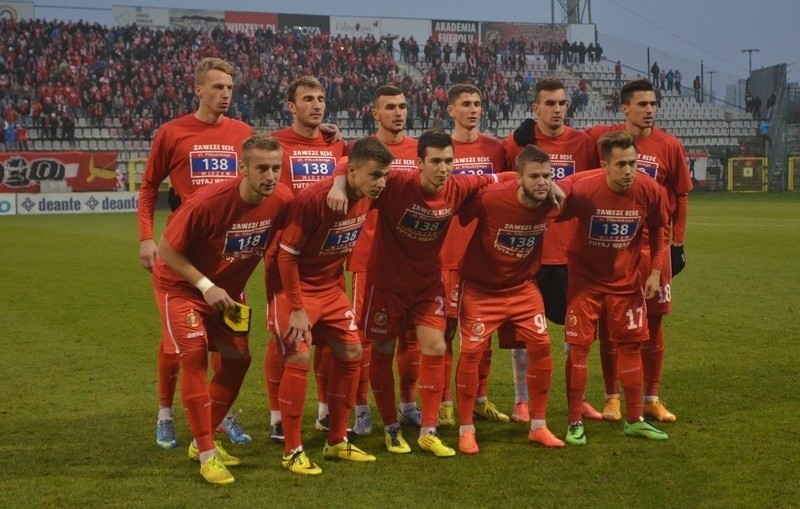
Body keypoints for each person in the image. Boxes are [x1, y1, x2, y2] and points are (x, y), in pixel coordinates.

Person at [328, 129, 514, 457]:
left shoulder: (458, 187)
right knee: (382, 348)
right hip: (386, 285)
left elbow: (501, 177)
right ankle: (390, 426)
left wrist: (542, 183)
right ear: (419, 163)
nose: (444, 168)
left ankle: (428, 429)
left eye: (449, 161)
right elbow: (347, 162)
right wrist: (338, 185)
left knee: (435, 345)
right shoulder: (396, 185)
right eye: (436, 161)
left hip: (427, 286)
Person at [152, 133, 292, 484]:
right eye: (262, 168)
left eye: (276, 168)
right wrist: (205, 285)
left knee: (237, 360)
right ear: (242, 167)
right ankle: (207, 452)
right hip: (182, 287)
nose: (271, 176)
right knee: (195, 356)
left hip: (228, 293)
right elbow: (165, 251)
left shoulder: (282, 200)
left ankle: (204, 437)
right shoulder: (208, 202)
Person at [138, 57, 256, 451]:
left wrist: (329, 140)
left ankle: (221, 415)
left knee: (231, 344)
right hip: (184, 251)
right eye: (217, 87)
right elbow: (150, 186)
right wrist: (145, 237)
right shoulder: (172, 133)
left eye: (229, 88)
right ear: (198, 89)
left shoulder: (243, 132)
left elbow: (270, 165)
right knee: (181, 346)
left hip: (231, 258)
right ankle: (166, 414)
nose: (225, 94)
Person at [268, 137, 394, 475]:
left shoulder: (368, 191)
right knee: (298, 357)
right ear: (352, 172)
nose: (381, 183)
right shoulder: (312, 200)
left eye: (384, 176)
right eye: (375, 176)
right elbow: (286, 256)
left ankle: (336, 440)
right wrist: (295, 307)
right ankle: (292, 449)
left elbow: (349, 158)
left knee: (353, 354)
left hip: (330, 289)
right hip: (294, 288)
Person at [586, 79, 692, 424]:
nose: (649, 110)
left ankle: (651, 397)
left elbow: (681, 195)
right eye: (642, 104)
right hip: (614, 247)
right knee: (610, 323)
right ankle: (612, 397)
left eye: (653, 104)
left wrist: (678, 245)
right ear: (625, 109)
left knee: (655, 321)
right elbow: (571, 141)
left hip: (654, 248)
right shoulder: (607, 139)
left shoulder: (669, 145)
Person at [558, 131, 669, 445]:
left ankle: (634, 420)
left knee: (631, 347)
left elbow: (660, 232)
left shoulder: (650, 190)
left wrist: (655, 272)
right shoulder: (583, 191)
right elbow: (550, 212)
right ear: (604, 165)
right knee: (579, 349)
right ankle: (574, 422)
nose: (629, 171)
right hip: (585, 281)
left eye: (632, 163)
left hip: (626, 282)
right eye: (621, 164)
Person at [455, 144, 567, 454]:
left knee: (542, 346)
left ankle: (538, 425)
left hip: (522, 287)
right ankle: (466, 429)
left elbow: (590, 180)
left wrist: (558, 185)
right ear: (518, 178)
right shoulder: (492, 198)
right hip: (480, 288)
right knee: (471, 354)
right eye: (534, 176)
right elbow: (457, 206)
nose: (542, 182)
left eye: (547, 175)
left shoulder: (554, 199)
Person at [502, 78, 601, 423]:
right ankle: (521, 401)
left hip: (571, 251)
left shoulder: (584, 143)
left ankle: (579, 399)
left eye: (562, 103)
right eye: (549, 103)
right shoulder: (517, 144)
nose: (556, 109)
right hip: (530, 252)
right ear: (535, 108)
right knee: (525, 333)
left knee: (578, 333)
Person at [265, 76, 347, 440]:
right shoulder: (275, 144)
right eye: (307, 99)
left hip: (329, 255)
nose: (316, 105)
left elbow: (350, 167)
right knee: (284, 338)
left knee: (328, 338)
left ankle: (325, 410)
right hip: (286, 253)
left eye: (321, 98)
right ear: (291, 106)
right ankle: (276, 416)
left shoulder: (336, 143)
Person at [347, 85, 420, 437]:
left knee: (411, 337)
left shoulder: (419, 150)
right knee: (364, 336)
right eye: (389, 107)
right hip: (369, 256)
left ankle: (408, 405)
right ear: (375, 113)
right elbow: (340, 173)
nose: (398, 113)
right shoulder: (359, 151)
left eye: (402, 106)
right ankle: (361, 409)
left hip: (411, 260)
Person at [440, 83, 509, 426]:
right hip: (448, 252)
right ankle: (445, 401)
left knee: (485, 331)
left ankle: (481, 397)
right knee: (445, 330)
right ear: (451, 109)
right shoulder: (440, 149)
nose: (472, 109)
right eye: (465, 104)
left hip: (486, 253)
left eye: (477, 103)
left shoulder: (497, 149)